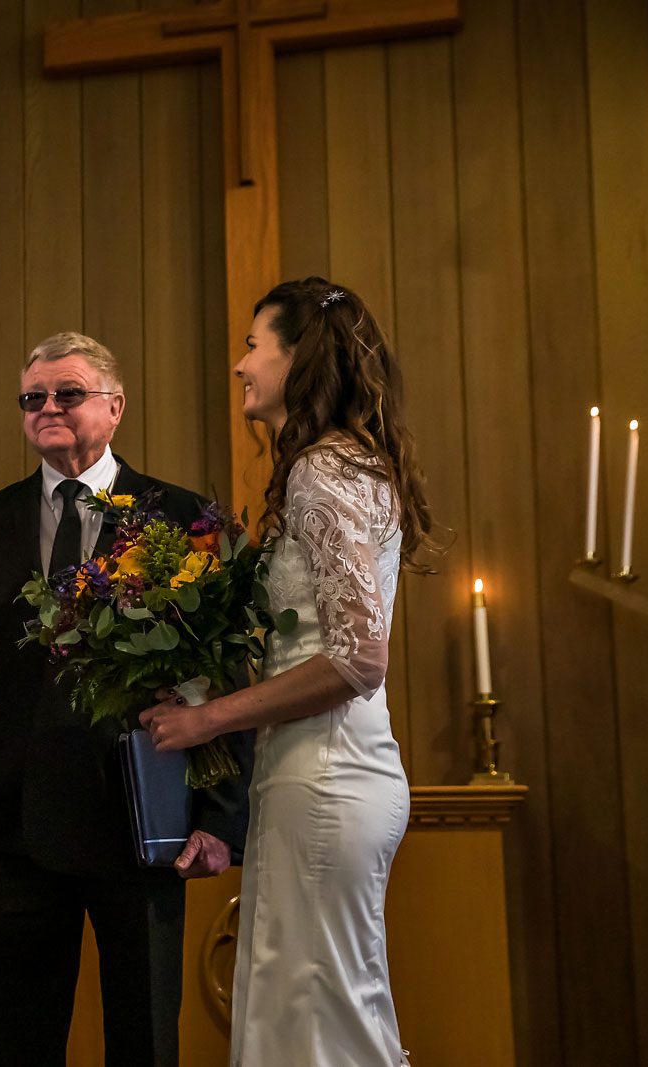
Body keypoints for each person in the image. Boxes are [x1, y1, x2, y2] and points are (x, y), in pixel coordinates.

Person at [0, 331, 253, 1066]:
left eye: (66, 393)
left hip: (138, 820)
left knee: (144, 1040)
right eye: (32, 397)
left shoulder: (181, 514)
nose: (47, 407)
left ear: (114, 404)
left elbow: (226, 673)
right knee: (17, 1040)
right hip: (7, 826)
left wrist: (222, 819)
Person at [140, 278, 435, 1066]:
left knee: (317, 1014)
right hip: (323, 768)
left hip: (327, 776)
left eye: (251, 344)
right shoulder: (349, 463)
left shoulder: (320, 472)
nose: (240, 364)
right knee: (319, 1005)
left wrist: (207, 718)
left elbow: (358, 655)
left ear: (295, 355)